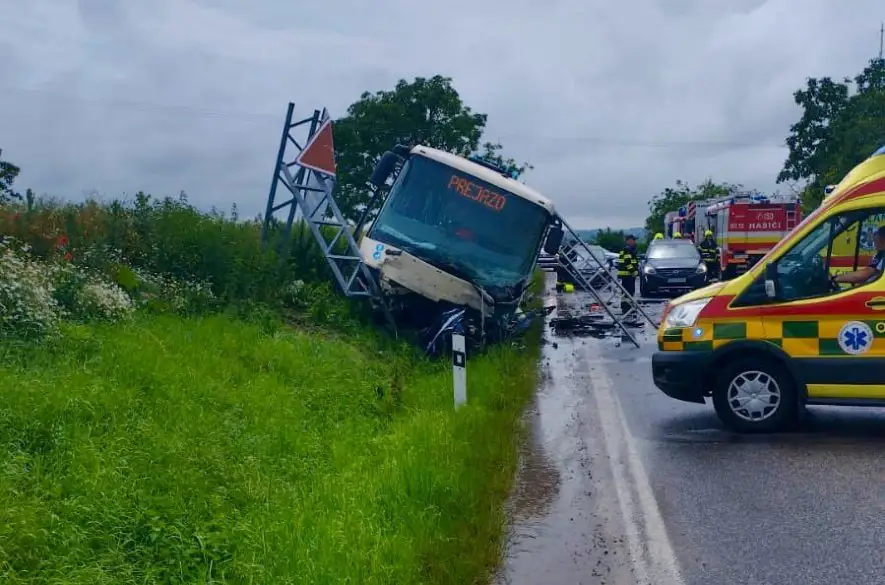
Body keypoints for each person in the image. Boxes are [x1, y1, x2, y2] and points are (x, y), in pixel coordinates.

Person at [616, 234, 639, 318]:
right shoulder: (627, 250)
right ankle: (627, 308)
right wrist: (633, 271)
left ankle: (626, 307)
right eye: (633, 240)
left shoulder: (627, 249)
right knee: (629, 292)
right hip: (627, 275)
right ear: (628, 240)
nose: (634, 242)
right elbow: (628, 263)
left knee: (626, 293)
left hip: (626, 275)